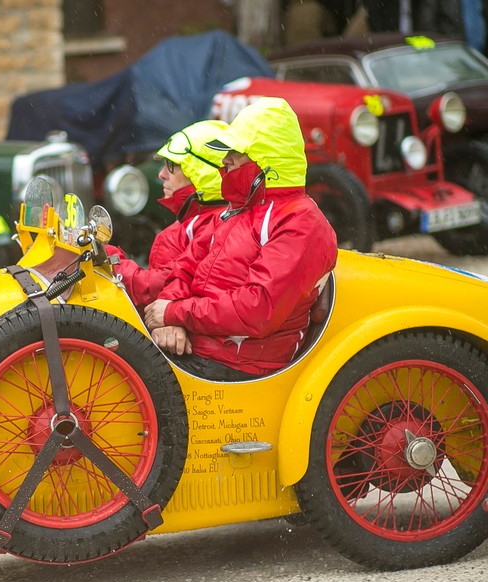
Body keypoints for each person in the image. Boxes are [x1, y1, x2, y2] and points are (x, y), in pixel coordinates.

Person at [142, 97, 338, 381]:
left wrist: (175, 313)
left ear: (267, 160)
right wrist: (167, 322)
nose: (224, 161)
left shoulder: (300, 222)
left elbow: (257, 308)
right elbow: (184, 269)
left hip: (238, 366)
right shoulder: (237, 209)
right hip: (198, 350)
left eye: (235, 152)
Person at [106, 119, 229, 308]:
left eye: (172, 165)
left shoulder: (215, 227)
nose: (161, 174)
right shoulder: (194, 222)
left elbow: (155, 288)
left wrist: (108, 258)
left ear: (201, 172)